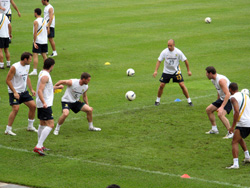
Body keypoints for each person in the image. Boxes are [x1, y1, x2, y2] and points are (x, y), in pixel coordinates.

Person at [33, 58, 62, 156]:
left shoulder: (42, 73)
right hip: (45, 104)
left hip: (42, 103)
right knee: (51, 125)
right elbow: (40, 91)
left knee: (42, 124)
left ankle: (40, 145)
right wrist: (44, 102)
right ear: (51, 66)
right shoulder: (45, 76)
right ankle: (38, 146)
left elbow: (46, 88)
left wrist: (57, 87)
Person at [153, 39, 193, 106]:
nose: (169, 47)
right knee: (161, 85)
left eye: (170, 46)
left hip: (176, 72)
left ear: (174, 45)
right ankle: (157, 101)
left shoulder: (178, 52)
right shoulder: (164, 52)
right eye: (168, 45)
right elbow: (159, 61)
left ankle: (189, 101)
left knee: (182, 85)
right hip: (166, 71)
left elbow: (185, 60)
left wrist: (188, 70)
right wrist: (155, 71)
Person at [5, 52, 37, 136]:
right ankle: (8, 129)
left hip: (24, 91)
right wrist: (15, 92)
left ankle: (30, 126)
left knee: (33, 106)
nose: (31, 60)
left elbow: (27, 77)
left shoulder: (27, 66)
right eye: (30, 59)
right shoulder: (14, 67)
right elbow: (7, 80)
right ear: (25, 59)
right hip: (14, 92)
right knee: (15, 109)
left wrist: (31, 89)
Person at [226, 82, 250, 169]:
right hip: (249, 121)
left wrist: (232, 126)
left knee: (234, 141)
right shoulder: (246, 95)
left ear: (230, 89)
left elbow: (236, 112)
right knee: (239, 138)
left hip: (243, 123)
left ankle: (236, 164)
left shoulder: (233, 98)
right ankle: (247, 157)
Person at [205, 66, 233, 139]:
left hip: (230, 99)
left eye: (207, 73)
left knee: (220, 114)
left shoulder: (221, 80)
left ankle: (230, 133)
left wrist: (221, 107)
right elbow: (219, 90)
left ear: (210, 73)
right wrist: (217, 101)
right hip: (222, 98)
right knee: (209, 110)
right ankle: (214, 129)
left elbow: (228, 94)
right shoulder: (213, 80)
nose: (206, 75)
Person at [29, 8, 47, 76]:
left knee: (35, 55)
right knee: (44, 55)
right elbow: (47, 29)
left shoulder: (36, 21)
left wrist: (34, 41)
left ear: (36, 13)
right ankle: (46, 69)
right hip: (44, 41)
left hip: (38, 41)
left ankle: (35, 70)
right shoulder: (44, 20)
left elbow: (35, 32)